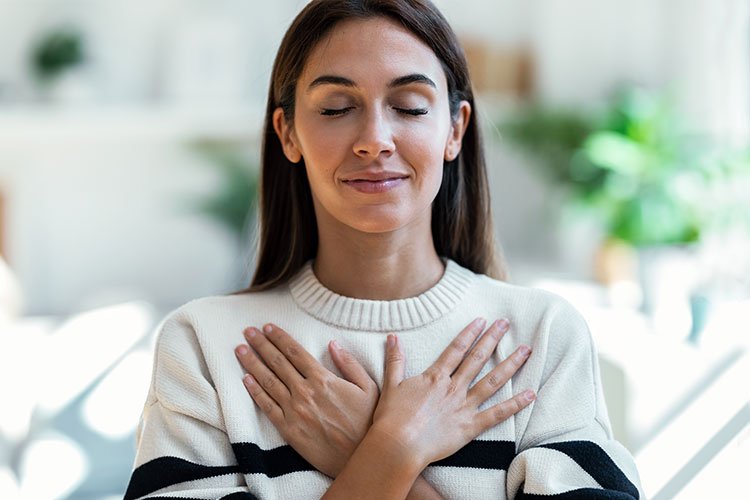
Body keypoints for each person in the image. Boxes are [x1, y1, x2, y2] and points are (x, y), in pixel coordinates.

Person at [125, 0, 643, 498]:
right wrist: (392, 453)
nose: (375, 139)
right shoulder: (204, 348)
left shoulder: (543, 338)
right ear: (289, 134)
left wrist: (380, 454)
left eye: (410, 107)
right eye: (336, 107)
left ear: (455, 129)